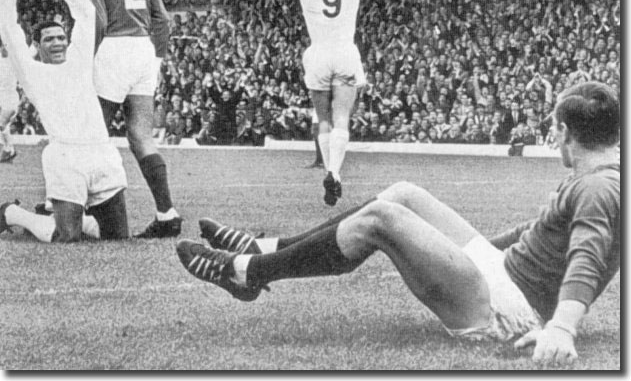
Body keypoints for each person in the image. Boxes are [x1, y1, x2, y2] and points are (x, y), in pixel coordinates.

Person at [176, 81, 620, 368]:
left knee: (381, 219)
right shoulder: (600, 178)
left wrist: (561, 328)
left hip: (511, 310)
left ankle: (245, 273)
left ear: (563, 131)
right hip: (504, 276)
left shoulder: (598, 189)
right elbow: (539, 237)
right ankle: (265, 248)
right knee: (405, 194)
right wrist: (472, 248)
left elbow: (588, 255)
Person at [0, 0, 129, 243]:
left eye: (61, 37)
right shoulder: (31, 73)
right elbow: (8, 28)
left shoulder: (79, 61)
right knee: (66, 238)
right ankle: (12, 214)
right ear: (38, 44)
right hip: (65, 157)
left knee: (118, 239)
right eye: (49, 39)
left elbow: (86, 12)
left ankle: (75, 215)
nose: (57, 42)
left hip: (101, 153)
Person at [269, 0, 375, 206]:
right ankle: (335, 172)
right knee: (342, 118)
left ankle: (329, 170)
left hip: (318, 53)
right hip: (345, 51)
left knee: (323, 118)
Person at [78, 0, 181, 238]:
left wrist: (85, 59)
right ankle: (167, 214)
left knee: (92, 132)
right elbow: (163, 20)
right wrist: (158, 61)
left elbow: (98, 20)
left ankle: (72, 208)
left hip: (114, 49)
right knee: (140, 136)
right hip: (143, 51)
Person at [0, 38, 19, 162]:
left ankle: (8, 149)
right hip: (4, 100)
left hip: (11, 100)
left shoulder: (14, 63)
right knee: (3, 127)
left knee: (1, 124)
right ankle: (9, 150)